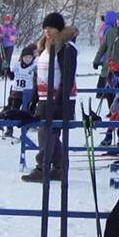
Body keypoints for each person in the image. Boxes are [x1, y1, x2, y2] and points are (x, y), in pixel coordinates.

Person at [21, 13, 78, 183]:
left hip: (59, 98)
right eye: (45, 28)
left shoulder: (66, 48)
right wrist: (34, 99)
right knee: (50, 133)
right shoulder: (45, 47)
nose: (47, 31)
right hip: (45, 97)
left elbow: (67, 77)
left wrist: (59, 102)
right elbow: (40, 75)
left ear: (58, 29)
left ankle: (42, 168)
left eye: (50, 28)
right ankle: (59, 167)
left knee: (47, 133)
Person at [94, 11, 119, 104]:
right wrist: (96, 60)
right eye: (118, 19)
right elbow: (103, 47)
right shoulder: (110, 31)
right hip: (108, 66)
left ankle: (116, 114)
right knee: (108, 92)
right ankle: (111, 112)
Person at [0, 44, 37, 136]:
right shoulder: (17, 65)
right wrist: (6, 69)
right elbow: (12, 77)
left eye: (30, 57)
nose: (28, 59)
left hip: (27, 94)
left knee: (26, 113)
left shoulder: (34, 67)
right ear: (22, 57)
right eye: (26, 57)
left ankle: (24, 132)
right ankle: (9, 129)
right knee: (12, 111)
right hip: (16, 93)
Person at [0, 14, 19, 78]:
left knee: (7, 60)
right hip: (1, 45)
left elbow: (15, 36)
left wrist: (9, 37)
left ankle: (6, 73)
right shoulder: (1, 27)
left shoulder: (12, 27)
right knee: (0, 59)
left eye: (8, 20)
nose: (7, 21)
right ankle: (0, 73)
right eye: (6, 20)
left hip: (9, 46)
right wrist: (0, 36)